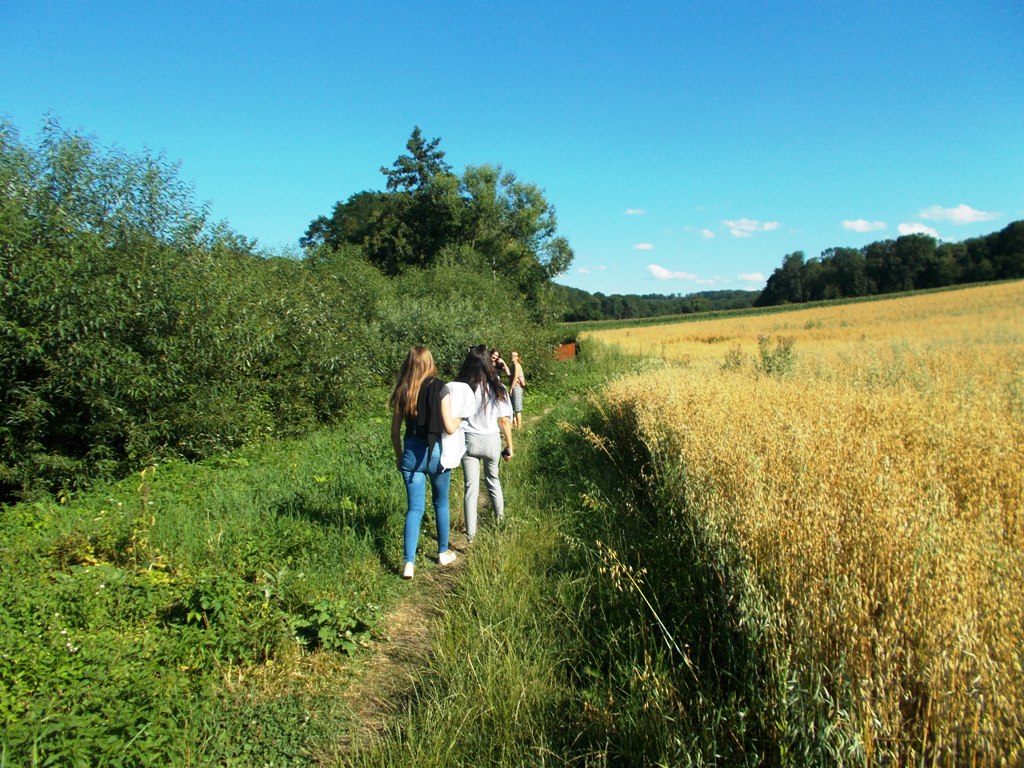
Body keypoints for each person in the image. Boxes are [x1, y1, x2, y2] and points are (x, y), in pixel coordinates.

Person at [389, 346, 463, 579]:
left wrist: (400, 455)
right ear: (430, 362)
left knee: (414, 509)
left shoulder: (403, 390)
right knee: (440, 503)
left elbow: (394, 431)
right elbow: (450, 428)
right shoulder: (440, 387)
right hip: (436, 453)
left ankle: (408, 563)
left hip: (411, 452)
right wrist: (461, 416)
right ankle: (442, 552)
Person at [457, 345, 514, 542]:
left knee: (470, 488)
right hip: (491, 440)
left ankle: (471, 536)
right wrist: (510, 446)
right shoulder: (497, 385)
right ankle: (500, 524)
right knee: (493, 482)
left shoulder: (464, 386)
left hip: (469, 440)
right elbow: (505, 420)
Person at [509, 350, 526, 430]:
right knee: (512, 407)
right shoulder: (513, 365)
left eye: (515, 356)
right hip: (514, 387)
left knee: (517, 409)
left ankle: (519, 428)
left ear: (517, 357)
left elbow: (515, 378)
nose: (513, 357)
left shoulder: (517, 365)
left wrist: (511, 388)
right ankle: (515, 424)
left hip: (517, 388)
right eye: (512, 355)